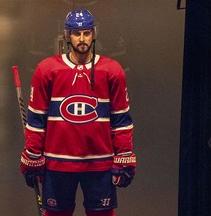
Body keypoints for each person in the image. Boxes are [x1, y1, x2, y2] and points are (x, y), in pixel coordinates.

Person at [20, 9, 136, 216]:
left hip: (99, 163)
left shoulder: (112, 71)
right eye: (76, 33)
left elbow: (121, 120)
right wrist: (32, 155)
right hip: (57, 163)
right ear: (67, 35)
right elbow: (36, 119)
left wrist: (124, 156)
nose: (81, 38)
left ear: (94, 34)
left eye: (86, 32)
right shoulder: (46, 70)